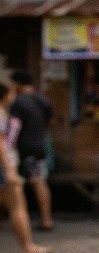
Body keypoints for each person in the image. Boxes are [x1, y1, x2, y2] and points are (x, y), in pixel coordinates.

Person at [0, 80, 52, 253]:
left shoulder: (12, 112)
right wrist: (9, 170)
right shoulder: (1, 114)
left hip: (22, 156)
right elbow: (1, 144)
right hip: (8, 164)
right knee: (17, 205)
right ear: (7, 95)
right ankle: (27, 247)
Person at [9, 70, 54, 231]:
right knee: (39, 181)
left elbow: (13, 128)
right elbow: (50, 120)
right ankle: (46, 219)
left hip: (23, 148)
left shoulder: (17, 102)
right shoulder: (42, 99)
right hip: (39, 145)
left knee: (28, 183)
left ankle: (42, 220)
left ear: (18, 84)